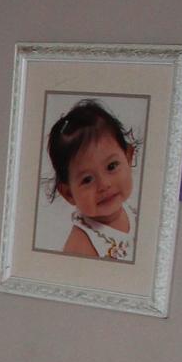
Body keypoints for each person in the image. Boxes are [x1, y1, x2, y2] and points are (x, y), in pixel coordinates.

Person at [46, 99, 137, 261]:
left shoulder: (134, 213)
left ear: (128, 157)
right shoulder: (80, 247)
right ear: (69, 193)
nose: (104, 184)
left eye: (111, 166)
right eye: (87, 179)